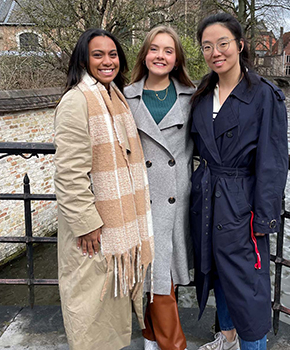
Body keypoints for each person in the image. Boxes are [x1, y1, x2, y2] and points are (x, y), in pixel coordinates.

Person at [189, 13, 288, 350]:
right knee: (217, 272)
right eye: (207, 46)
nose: (215, 52)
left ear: (240, 45)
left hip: (241, 202)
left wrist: (265, 216)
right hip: (207, 196)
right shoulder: (203, 93)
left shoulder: (264, 95)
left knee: (248, 287)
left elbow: (273, 161)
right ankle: (227, 337)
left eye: (223, 43)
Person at [53, 28, 154, 350]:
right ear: (84, 59)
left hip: (114, 226)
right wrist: (87, 224)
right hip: (94, 230)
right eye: (98, 55)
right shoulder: (77, 100)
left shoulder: (114, 96)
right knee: (90, 308)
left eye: (112, 54)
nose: (107, 61)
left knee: (107, 309)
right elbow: (69, 173)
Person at [124, 26, 195, 350]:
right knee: (150, 276)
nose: (161, 56)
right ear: (144, 54)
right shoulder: (125, 96)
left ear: (177, 58)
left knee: (164, 275)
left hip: (175, 200)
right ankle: (163, 343)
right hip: (140, 199)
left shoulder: (192, 98)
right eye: (154, 49)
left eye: (168, 50)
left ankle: (158, 341)